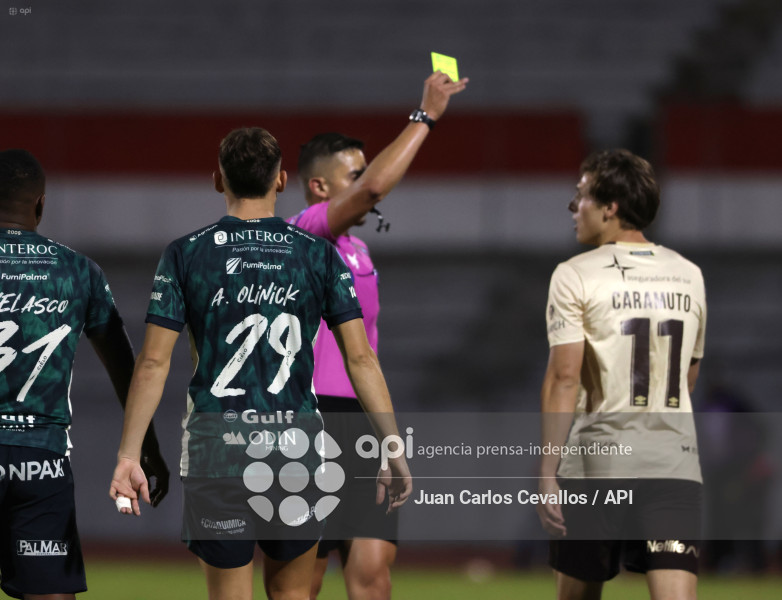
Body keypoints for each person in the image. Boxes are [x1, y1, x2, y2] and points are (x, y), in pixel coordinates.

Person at [109, 128, 412, 600]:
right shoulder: (317, 254)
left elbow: (152, 363)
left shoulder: (186, 253)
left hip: (218, 448)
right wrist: (392, 447)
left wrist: (129, 455)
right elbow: (360, 358)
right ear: (281, 180)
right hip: (296, 447)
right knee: (292, 594)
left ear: (217, 180)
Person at [288, 70, 467, 600]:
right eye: (353, 174)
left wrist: (389, 439)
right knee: (304, 579)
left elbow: (366, 354)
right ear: (320, 188)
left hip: (362, 420)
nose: (368, 183)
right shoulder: (302, 232)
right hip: (312, 419)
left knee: (373, 573)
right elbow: (373, 188)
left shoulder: (359, 252)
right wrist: (425, 116)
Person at [537, 149, 707, 600]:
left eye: (582, 196)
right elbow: (688, 376)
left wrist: (547, 471)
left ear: (610, 207)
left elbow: (564, 378)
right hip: (673, 465)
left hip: (599, 464)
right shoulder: (689, 275)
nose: (574, 207)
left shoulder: (575, 274)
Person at [0, 149, 169, 600]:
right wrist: (144, 449)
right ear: (40, 203)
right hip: (41, 464)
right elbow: (123, 365)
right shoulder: (78, 270)